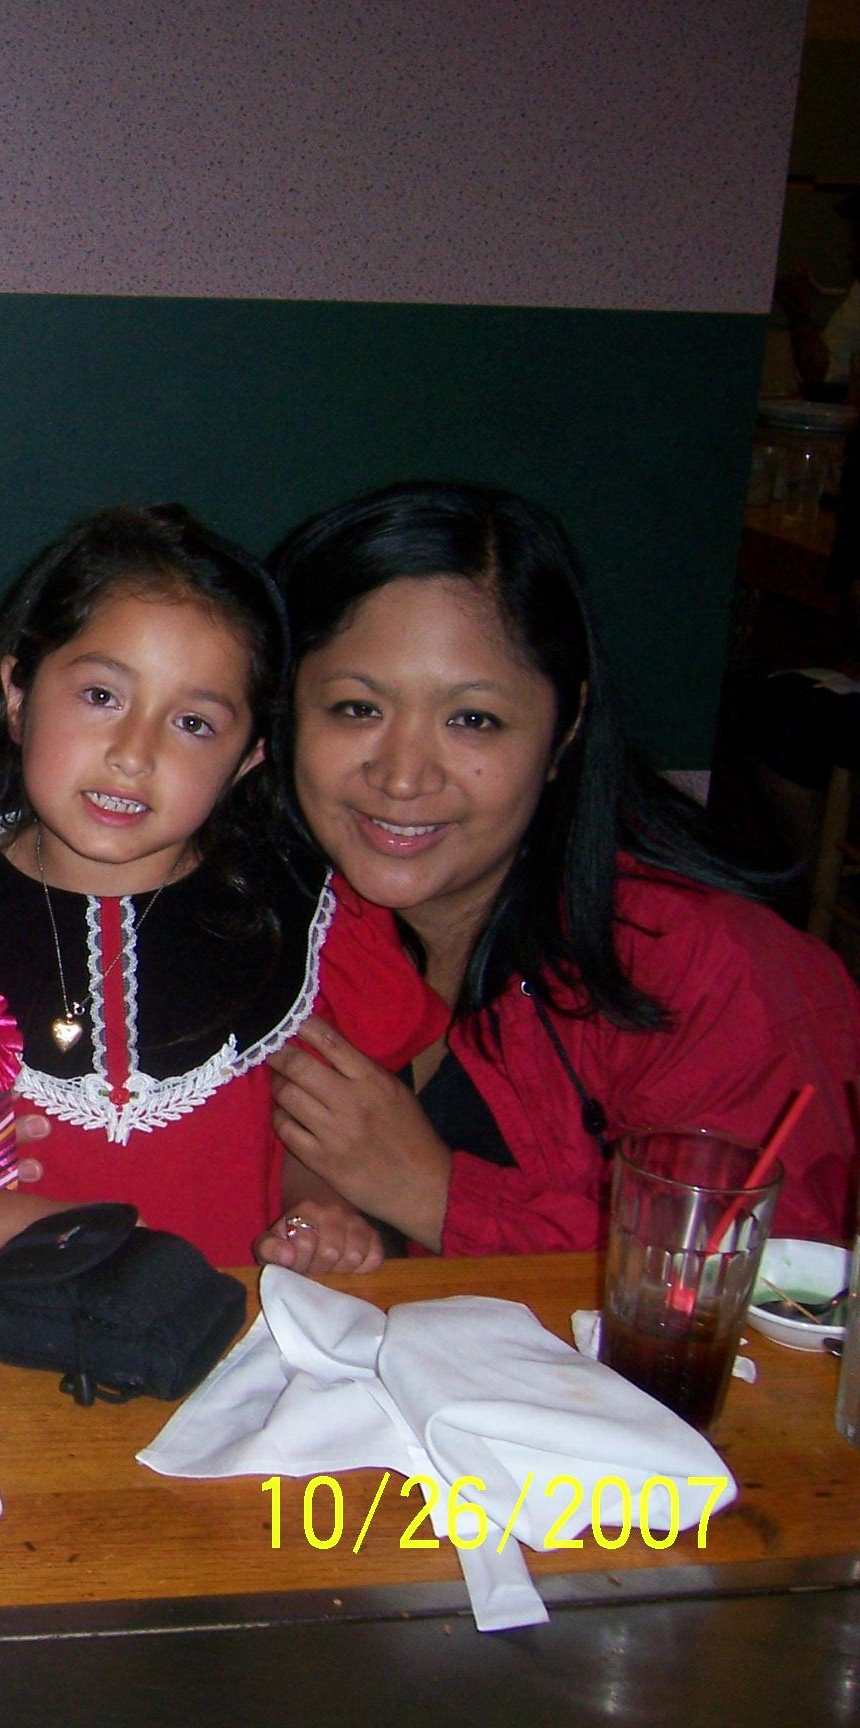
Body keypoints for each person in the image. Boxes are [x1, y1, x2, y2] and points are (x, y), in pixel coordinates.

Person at [0, 505, 447, 1273]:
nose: (134, 753)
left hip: (232, 1326)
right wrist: (50, 1230)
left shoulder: (302, 924)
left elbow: (311, 1140)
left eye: (193, 724)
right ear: (18, 695)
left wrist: (318, 1211)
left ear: (248, 759)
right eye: (101, 696)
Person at [260, 481, 860, 1258]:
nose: (403, 776)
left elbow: (775, 1285)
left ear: (565, 727)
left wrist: (436, 1194)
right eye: (357, 708)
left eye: (472, 719)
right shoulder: (269, 913)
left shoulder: (710, 969)